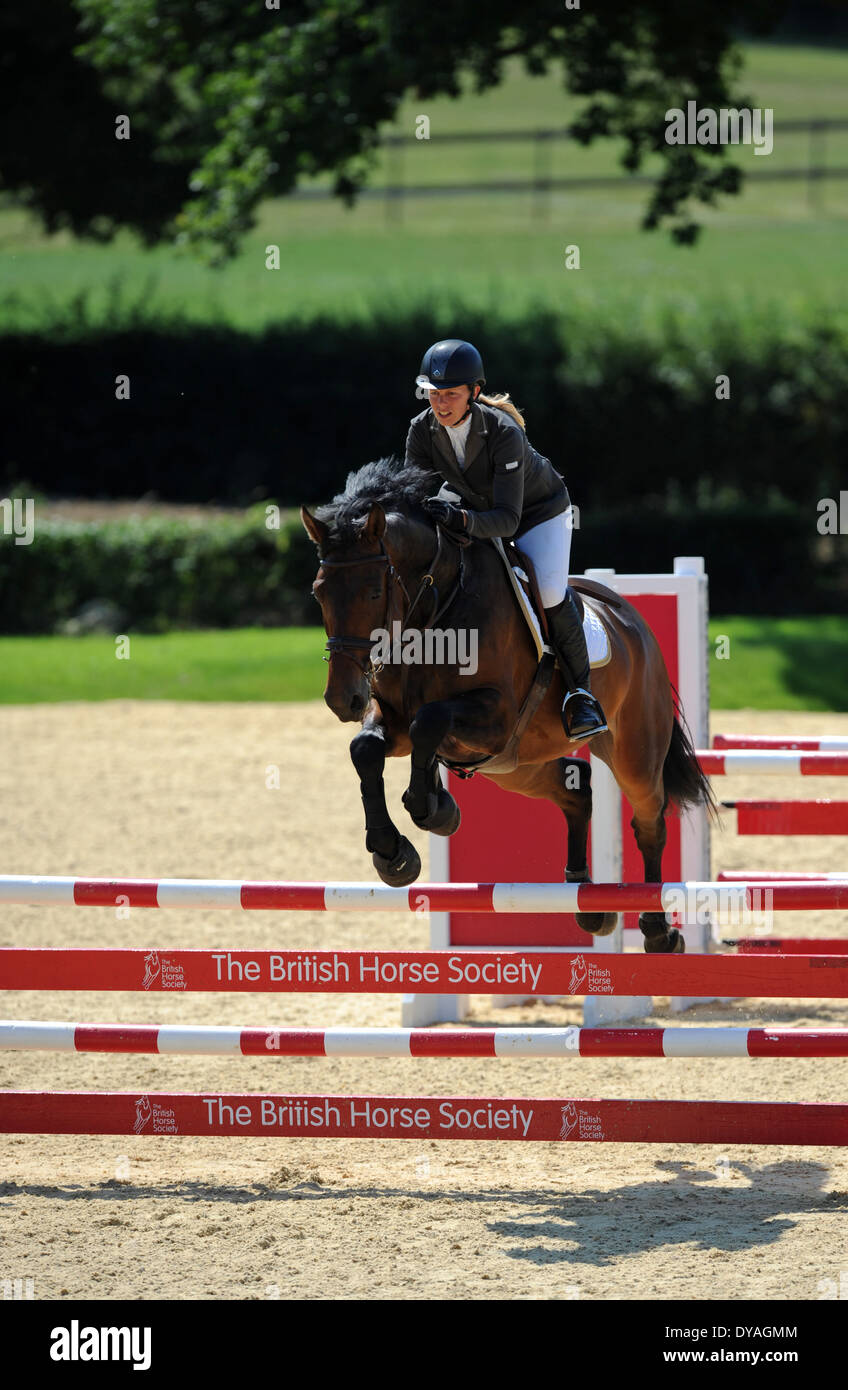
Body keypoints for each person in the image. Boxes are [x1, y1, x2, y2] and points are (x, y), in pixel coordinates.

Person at [404, 337, 607, 742]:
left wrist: (459, 517)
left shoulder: (503, 432)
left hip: (536, 514)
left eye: (450, 395)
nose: (439, 404)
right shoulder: (421, 430)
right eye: (432, 394)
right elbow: (413, 497)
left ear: (474, 393)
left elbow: (509, 521)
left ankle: (580, 694)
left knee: (548, 592)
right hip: (475, 510)